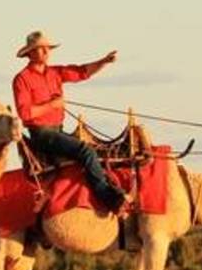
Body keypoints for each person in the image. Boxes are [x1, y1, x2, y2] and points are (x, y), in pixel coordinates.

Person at [12, 31, 126, 213]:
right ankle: (109, 198)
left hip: (58, 130)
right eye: (40, 49)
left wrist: (103, 62)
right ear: (30, 53)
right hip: (42, 134)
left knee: (95, 150)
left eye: (47, 48)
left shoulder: (55, 72)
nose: (45, 52)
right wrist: (52, 105)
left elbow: (82, 72)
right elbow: (25, 113)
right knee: (85, 151)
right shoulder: (22, 79)